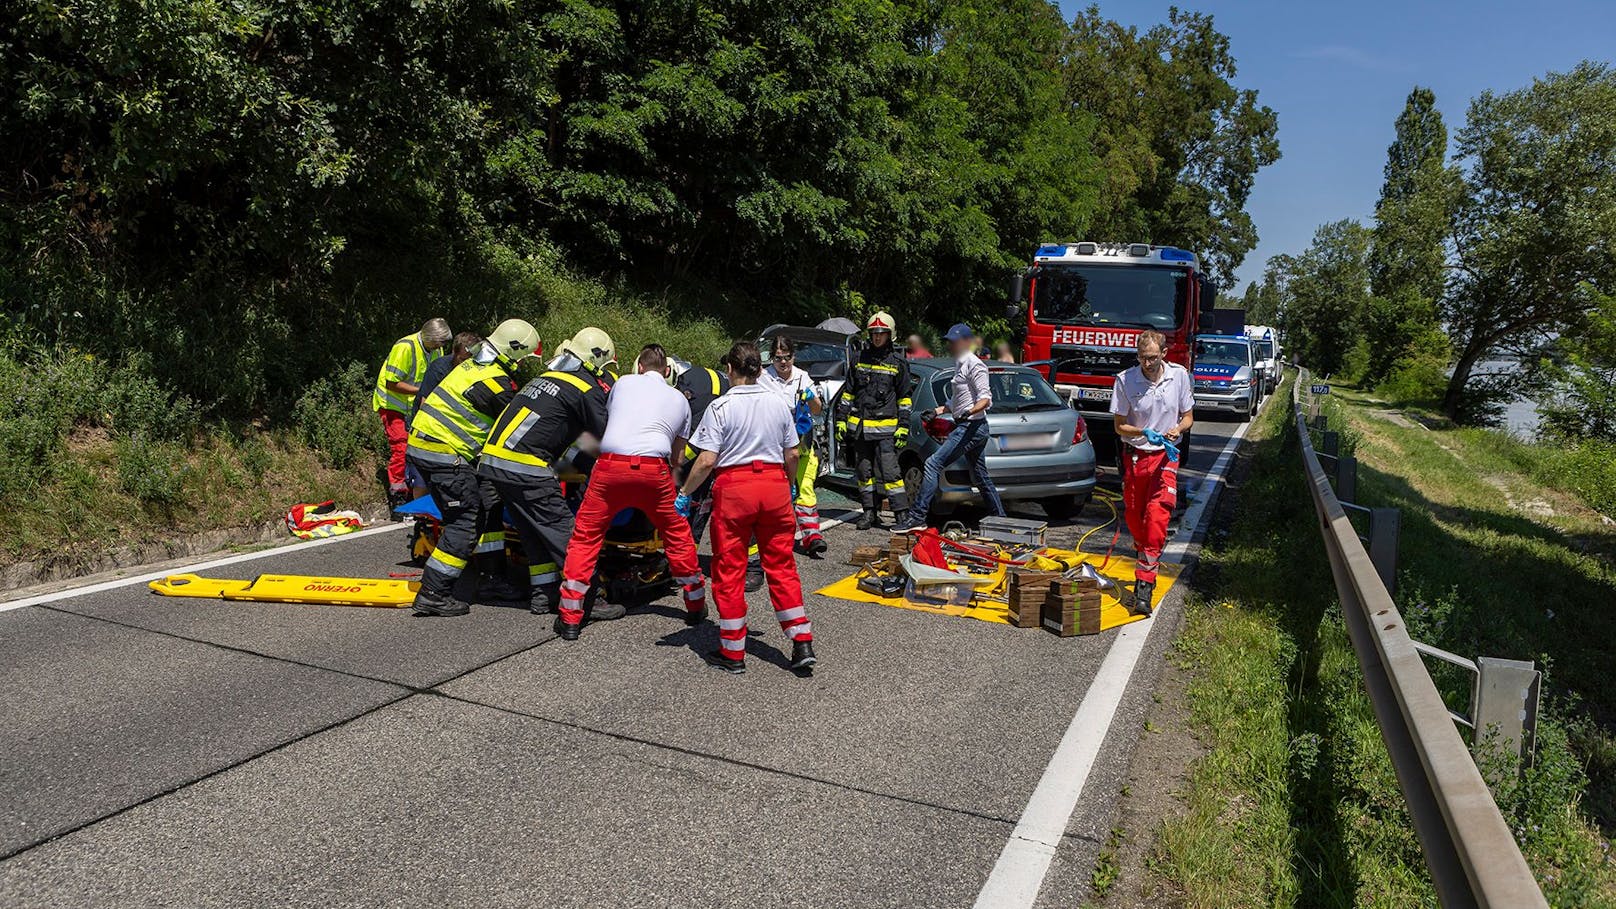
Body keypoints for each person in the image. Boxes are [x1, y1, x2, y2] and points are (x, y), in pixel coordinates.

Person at [677, 341, 816, 675]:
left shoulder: (721, 407)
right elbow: (794, 453)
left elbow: (707, 460)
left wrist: (684, 493)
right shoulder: (778, 404)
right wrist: (790, 482)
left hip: (735, 489)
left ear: (729, 370)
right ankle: (801, 642)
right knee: (781, 566)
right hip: (774, 487)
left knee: (729, 569)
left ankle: (733, 651)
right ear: (759, 368)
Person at [554, 345, 707, 640]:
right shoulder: (679, 399)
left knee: (586, 536)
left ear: (639, 367)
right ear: (667, 372)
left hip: (610, 468)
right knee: (676, 535)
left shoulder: (623, 383)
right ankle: (696, 605)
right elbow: (676, 458)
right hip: (654, 471)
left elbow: (613, 423)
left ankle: (570, 617)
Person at [478, 327, 618, 620]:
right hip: (526, 467)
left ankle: (544, 595)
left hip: (494, 463)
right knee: (568, 536)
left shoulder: (543, 379)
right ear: (594, 361)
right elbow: (607, 434)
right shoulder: (583, 388)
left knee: (533, 533)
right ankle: (590, 598)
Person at [406, 320, 539, 617]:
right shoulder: (494, 383)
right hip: (444, 453)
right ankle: (433, 592)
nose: (522, 364)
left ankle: (493, 578)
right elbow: (516, 429)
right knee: (464, 521)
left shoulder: (473, 365)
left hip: (431, 447)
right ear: (513, 352)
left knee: (488, 505)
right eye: (522, 358)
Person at [1109, 328, 1193, 617]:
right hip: (1135, 456)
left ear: (1164, 354)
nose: (1148, 363)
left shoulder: (1178, 376)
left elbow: (1188, 416)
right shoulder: (1124, 381)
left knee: (1156, 518)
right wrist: (1143, 431)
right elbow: (1119, 425)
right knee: (1135, 517)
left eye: (1153, 358)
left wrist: (1177, 429)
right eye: (1143, 358)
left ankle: (1143, 586)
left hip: (1165, 458)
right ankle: (1146, 552)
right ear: (1138, 356)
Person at [896, 323, 1004, 532]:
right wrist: (936, 411)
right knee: (980, 475)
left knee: (933, 463)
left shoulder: (976, 365)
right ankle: (1001, 519)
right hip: (970, 425)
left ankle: (917, 517)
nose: (950, 346)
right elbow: (957, 399)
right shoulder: (960, 364)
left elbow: (985, 399)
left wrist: (969, 412)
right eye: (949, 342)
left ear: (966, 342)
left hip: (972, 427)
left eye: (953, 342)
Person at [838, 311, 912, 530]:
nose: (877, 337)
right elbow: (848, 392)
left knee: (891, 474)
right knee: (864, 473)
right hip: (861, 430)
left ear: (890, 335)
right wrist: (842, 420)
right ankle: (870, 513)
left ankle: (901, 515)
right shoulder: (859, 359)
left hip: (886, 430)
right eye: (874, 334)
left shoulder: (898, 363)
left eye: (881, 334)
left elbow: (905, 398)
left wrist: (903, 427)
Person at [760, 335, 827, 557]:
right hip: (773, 444)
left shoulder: (802, 377)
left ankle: (812, 536)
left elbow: (817, 410)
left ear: (793, 356)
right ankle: (778, 538)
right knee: (778, 493)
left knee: (805, 488)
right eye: (778, 358)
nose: (783, 363)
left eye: (787, 357)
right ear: (772, 358)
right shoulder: (763, 377)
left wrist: (810, 398)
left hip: (802, 442)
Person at [374, 318, 451, 507]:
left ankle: (414, 492)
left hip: (414, 408)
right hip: (393, 406)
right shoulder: (405, 347)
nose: (442, 346)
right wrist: (422, 391)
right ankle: (397, 497)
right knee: (401, 448)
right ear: (430, 338)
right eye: (440, 342)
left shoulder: (435, 350)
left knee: (418, 449)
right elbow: (391, 383)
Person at [413, 331, 483, 417]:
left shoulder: (475, 371)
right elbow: (424, 404)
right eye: (462, 360)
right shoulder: (439, 368)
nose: (465, 365)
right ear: (454, 351)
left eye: (470, 361)